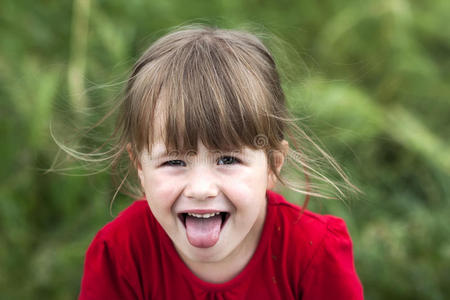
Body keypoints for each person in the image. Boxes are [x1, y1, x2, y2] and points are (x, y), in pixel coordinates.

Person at [76, 24, 364, 299]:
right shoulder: (120, 253)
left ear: (273, 165)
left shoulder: (312, 251)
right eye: (174, 162)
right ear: (140, 167)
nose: (201, 189)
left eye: (227, 159)